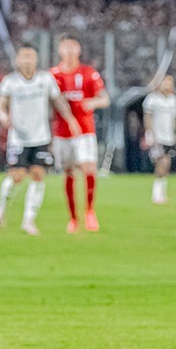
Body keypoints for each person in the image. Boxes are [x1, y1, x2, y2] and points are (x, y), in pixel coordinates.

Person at [0, 44, 80, 234]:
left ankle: (29, 221)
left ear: (36, 59)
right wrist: (3, 116)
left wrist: (70, 119)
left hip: (41, 136)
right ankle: (2, 208)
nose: (27, 60)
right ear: (17, 60)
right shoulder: (11, 82)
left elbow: (58, 101)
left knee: (38, 175)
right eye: (24, 56)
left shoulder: (45, 79)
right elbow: (0, 104)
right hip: (18, 138)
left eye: (31, 56)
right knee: (17, 176)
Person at [50, 36, 110, 233]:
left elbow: (105, 99)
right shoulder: (52, 75)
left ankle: (90, 212)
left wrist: (92, 102)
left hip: (85, 131)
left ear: (78, 50)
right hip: (61, 133)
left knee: (88, 167)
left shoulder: (88, 73)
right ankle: (73, 218)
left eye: (72, 47)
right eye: (65, 47)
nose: (69, 51)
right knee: (68, 171)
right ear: (60, 50)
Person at [142, 75, 176, 204]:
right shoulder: (152, 99)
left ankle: (161, 193)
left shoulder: (174, 100)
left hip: (169, 137)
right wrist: (149, 134)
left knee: (167, 164)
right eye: (165, 82)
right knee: (162, 162)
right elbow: (147, 117)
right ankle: (156, 193)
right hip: (157, 137)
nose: (168, 85)